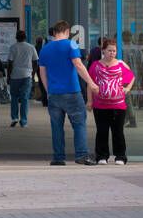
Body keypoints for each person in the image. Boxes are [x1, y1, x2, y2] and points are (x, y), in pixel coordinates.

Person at [37, 20, 101, 166]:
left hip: (54, 94)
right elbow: (78, 65)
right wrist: (91, 83)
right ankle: (81, 154)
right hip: (72, 92)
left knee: (56, 126)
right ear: (67, 32)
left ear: (54, 32)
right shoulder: (71, 44)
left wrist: (48, 91)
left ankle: (58, 157)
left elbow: (42, 73)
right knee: (79, 124)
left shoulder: (45, 48)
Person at [89, 37, 136, 164]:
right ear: (103, 50)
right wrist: (89, 101)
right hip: (100, 105)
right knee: (102, 131)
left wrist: (128, 88)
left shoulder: (120, 64)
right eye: (109, 50)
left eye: (114, 51)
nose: (112, 53)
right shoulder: (95, 65)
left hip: (118, 105)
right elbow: (90, 84)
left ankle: (120, 156)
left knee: (118, 132)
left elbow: (132, 76)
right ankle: (102, 156)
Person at [6, 30, 37, 128]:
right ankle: (23, 121)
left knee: (14, 97)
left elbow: (10, 63)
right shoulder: (31, 47)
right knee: (25, 98)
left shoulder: (13, 47)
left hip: (15, 75)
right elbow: (35, 61)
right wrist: (33, 74)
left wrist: (9, 76)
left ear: (16, 37)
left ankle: (14, 118)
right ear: (26, 37)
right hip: (27, 75)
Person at [121, 30, 143, 128]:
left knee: (126, 98)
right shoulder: (137, 49)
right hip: (135, 78)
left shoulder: (122, 49)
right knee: (127, 98)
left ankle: (131, 119)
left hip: (125, 78)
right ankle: (127, 119)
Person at [34, 36, 49, 108]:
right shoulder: (45, 47)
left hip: (38, 67)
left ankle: (43, 98)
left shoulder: (35, 47)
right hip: (46, 66)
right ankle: (46, 98)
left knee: (41, 82)